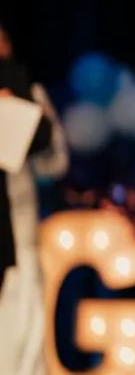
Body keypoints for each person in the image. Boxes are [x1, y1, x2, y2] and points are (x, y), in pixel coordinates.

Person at [0, 21, 69, 375]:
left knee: (21, 315)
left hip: (17, 225)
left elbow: (55, 161)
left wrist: (23, 118)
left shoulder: (26, 91)